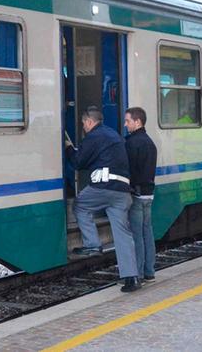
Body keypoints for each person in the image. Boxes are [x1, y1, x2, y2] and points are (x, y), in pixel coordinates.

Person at [66, 106, 141, 292]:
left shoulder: (93, 137)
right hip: (123, 191)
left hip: (103, 187)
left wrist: (68, 148)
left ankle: (92, 245)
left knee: (80, 205)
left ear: (90, 122)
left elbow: (78, 162)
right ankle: (132, 278)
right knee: (122, 233)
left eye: (84, 123)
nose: (83, 127)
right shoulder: (113, 135)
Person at [124, 107, 158, 282]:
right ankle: (149, 271)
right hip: (148, 193)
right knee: (147, 232)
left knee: (136, 234)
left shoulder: (132, 143)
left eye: (128, 121)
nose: (125, 124)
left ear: (137, 122)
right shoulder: (149, 142)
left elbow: (129, 170)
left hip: (136, 194)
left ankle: (136, 274)